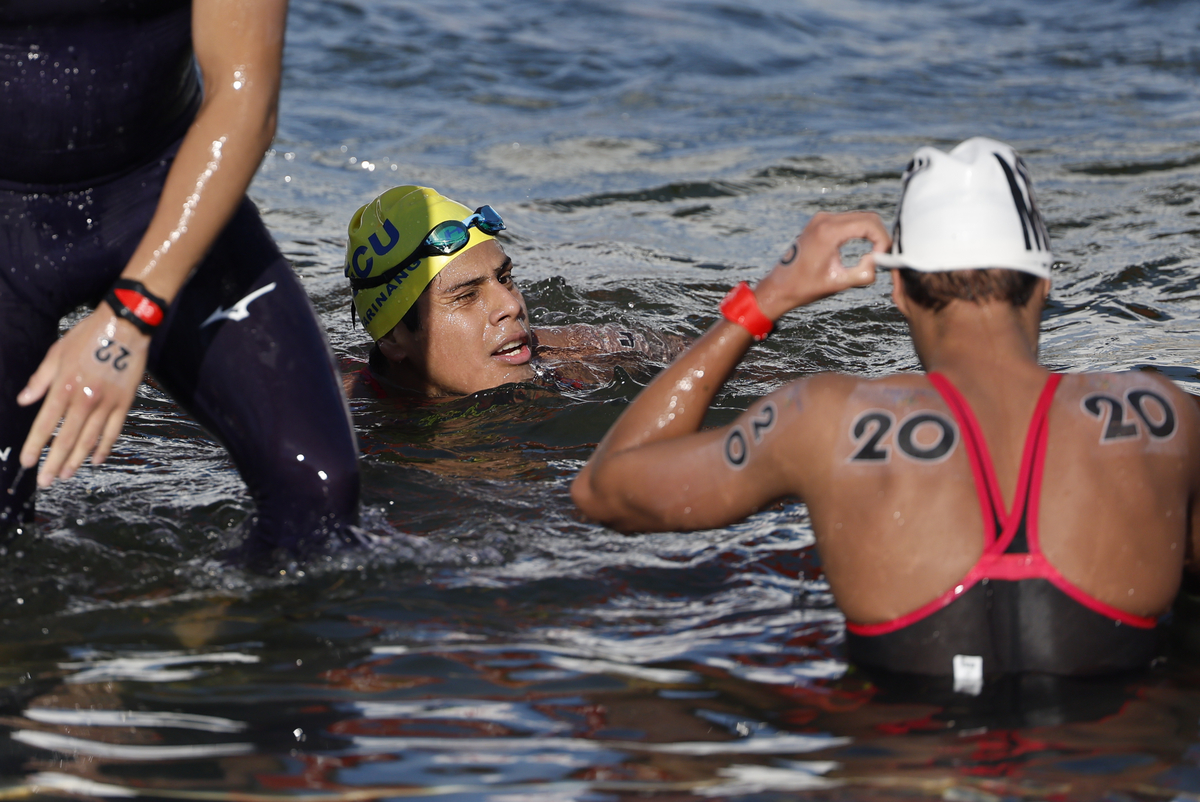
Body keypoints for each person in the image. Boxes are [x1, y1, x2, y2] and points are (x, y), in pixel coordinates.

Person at [572, 137, 1200, 684]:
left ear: (899, 288)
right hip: (1117, 767)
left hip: (897, 767)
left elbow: (604, 490)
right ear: (1042, 282)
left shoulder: (821, 418)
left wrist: (767, 298)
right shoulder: (1164, 417)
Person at [1, 1, 360, 557]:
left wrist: (129, 316)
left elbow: (245, 100)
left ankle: (214, 626)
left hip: (164, 194)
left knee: (320, 497)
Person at [344, 185, 686, 399]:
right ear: (392, 338)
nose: (510, 304)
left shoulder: (571, 354)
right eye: (466, 296)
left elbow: (677, 351)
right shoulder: (339, 419)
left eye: (505, 278)